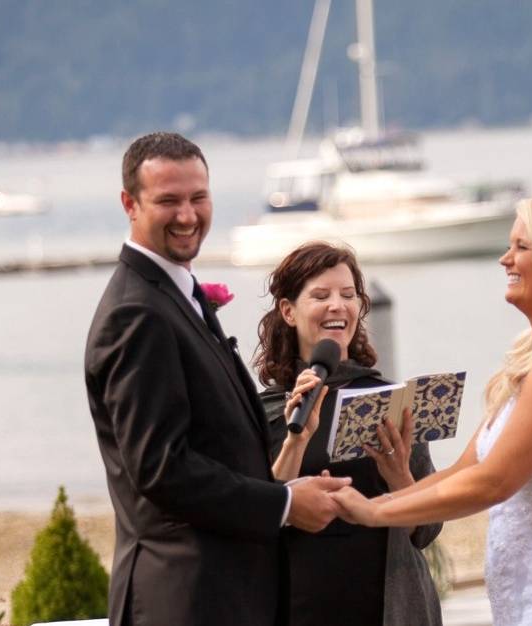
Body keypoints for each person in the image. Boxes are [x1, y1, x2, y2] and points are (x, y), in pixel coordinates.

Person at [331, 194, 532, 625]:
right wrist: (393, 491)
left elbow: (493, 482)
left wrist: (374, 512)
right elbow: (465, 470)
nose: (505, 258)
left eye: (521, 247)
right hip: (529, 598)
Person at [84, 132, 350, 626]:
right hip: (186, 598)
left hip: (221, 594)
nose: (187, 216)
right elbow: (162, 469)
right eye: (168, 201)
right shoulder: (136, 313)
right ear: (129, 203)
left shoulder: (172, 293)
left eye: (198, 198)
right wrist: (286, 504)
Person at [254, 242, 443, 626]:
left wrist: (400, 479)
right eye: (321, 296)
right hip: (296, 604)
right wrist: (296, 441)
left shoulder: (389, 399)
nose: (338, 306)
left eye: (348, 295)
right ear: (288, 311)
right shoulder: (264, 410)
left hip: (387, 607)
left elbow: (426, 530)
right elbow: (251, 515)